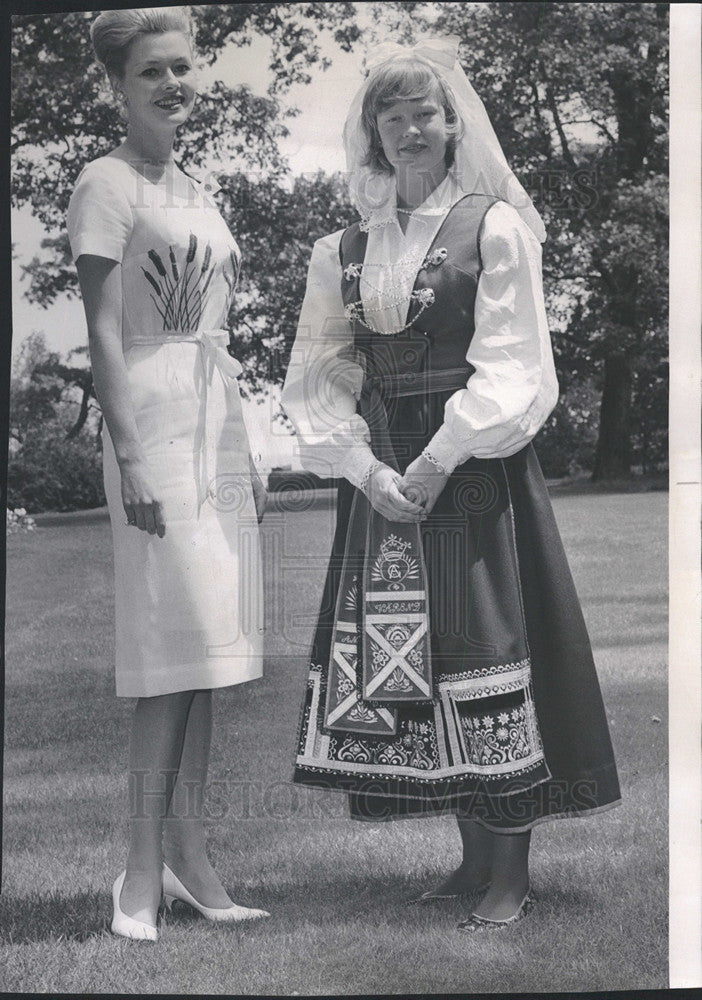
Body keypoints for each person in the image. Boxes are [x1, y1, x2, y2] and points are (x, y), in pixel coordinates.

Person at [281, 37, 621, 931]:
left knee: (486, 648)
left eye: (422, 112)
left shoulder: (494, 225)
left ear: (451, 122)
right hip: (385, 474)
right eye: (389, 117)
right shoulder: (343, 248)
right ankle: (471, 861)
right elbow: (319, 372)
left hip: (471, 472)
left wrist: (436, 463)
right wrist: (366, 469)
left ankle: (511, 869)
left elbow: (514, 365)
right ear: (372, 138)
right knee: (419, 663)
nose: (408, 130)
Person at [67, 7, 269, 941]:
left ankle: (191, 857)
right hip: (150, 422)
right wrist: (129, 452)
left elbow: (218, 332)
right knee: (166, 660)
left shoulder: (198, 187)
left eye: (183, 67)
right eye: (152, 71)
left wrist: (250, 444)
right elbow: (104, 332)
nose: (171, 84)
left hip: (215, 426)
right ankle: (139, 873)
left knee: (209, 654)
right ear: (119, 85)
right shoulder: (103, 184)